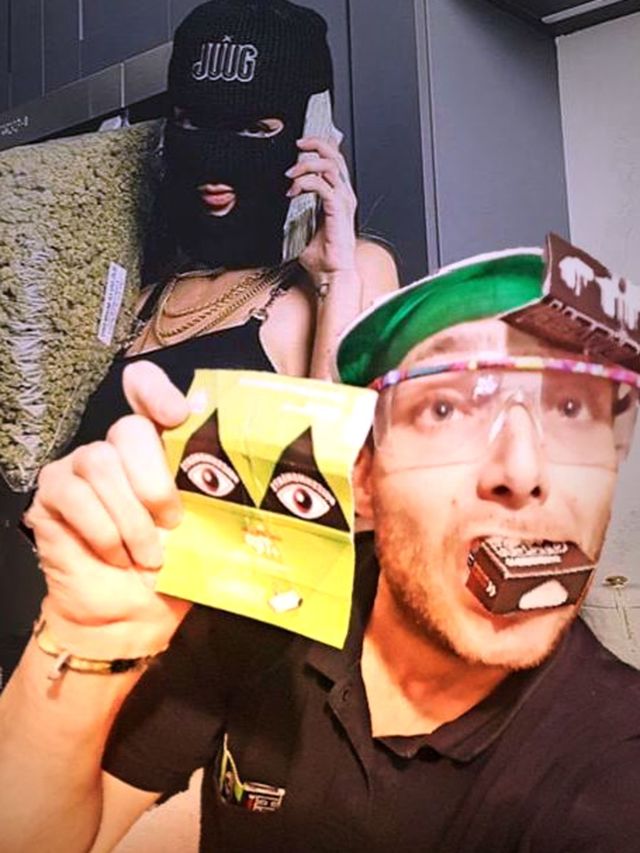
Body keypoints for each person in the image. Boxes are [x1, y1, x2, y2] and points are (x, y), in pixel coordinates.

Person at [3, 244, 640, 853]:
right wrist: (85, 637)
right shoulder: (271, 606)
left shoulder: (614, 758)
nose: (524, 467)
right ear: (363, 478)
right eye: (446, 409)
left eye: (572, 408)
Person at [0, 0, 398, 686]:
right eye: (191, 123)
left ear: (312, 136)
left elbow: (341, 504)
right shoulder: (145, 289)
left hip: (216, 683)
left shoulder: (348, 275)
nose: (216, 161)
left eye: (256, 128)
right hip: (66, 653)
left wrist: (334, 275)